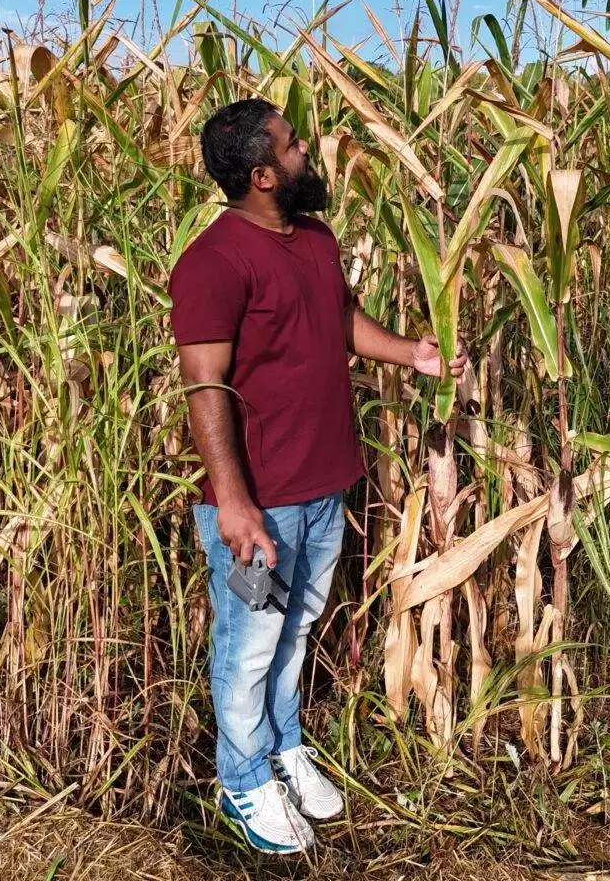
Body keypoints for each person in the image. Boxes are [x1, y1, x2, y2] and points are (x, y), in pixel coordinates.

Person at [170, 98, 466, 856]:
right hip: (258, 509)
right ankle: (241, 779)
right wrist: (233, 504)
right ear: (262, 174)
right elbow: (204, 384)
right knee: (249, 643)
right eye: (293, 144)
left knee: (295, 629)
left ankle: (281, 748)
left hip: (324, 488)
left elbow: (339, 322)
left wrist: (414, 354)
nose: (309, 150)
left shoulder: (316, 239)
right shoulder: (214, 261)